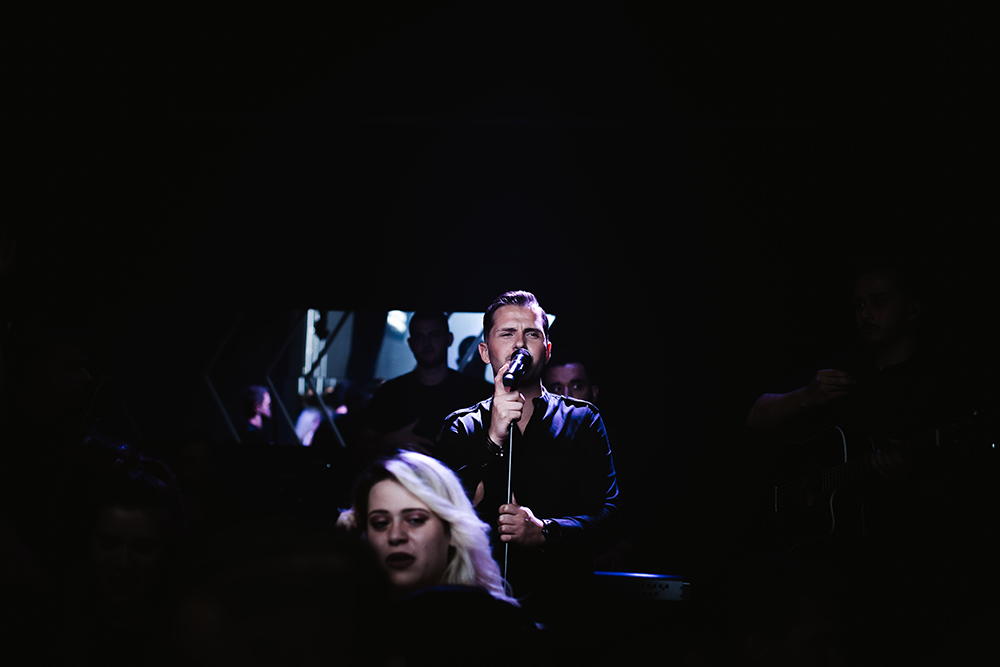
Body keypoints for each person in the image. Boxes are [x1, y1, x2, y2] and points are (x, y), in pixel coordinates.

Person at [434, 290, 622, 621]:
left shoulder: (583, 420)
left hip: (563, 604)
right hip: (480, 606)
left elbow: (608, 513)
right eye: (507, 333)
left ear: (546, 350)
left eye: (532, 334)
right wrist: (493, 437)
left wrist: (546, 531)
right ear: (484, 351)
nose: (520, 344)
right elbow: (445, 514)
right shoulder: (461, 426)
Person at [336, 450, 516, 605]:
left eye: (415, 520)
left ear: (452, 531)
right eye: (380, 523)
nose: (395, 535)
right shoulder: (346, 625)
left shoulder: (498, 622)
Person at [355, 311, 492, 462]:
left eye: (434, 335)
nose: (426, 343)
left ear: (449, 339)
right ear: (411, 343)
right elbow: (359, 450)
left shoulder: (478, 393)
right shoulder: (389, 393)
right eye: (419, 337)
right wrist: (390, 441)